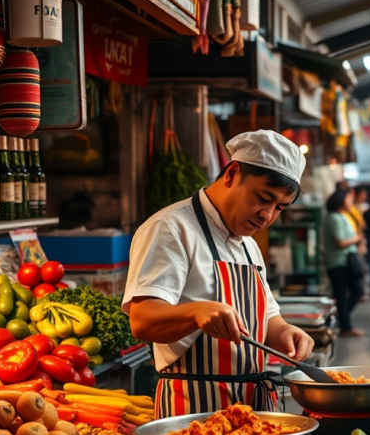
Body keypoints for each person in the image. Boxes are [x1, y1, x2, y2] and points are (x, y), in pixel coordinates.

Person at [123, 130, 315, 417]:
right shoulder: (171, 228)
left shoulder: (248, 244)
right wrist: (196, 313)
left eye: (280, 208)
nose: (268, 217)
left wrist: (287, 332)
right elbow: (142, 320)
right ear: (232, 174)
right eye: (264, 198)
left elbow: (268, 320)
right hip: (195, 414)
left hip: (254, 412)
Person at [324, 188, 366, 337]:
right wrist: (357, 239)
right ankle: (344, 325)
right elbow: (340, 243)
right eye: (348, 199)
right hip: (338, 262)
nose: (351, 202)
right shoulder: (334, 217)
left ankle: (340, 321)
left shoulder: (342, 215)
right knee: (344, 294)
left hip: (345, 260)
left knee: (349, 292)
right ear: (340, 202)